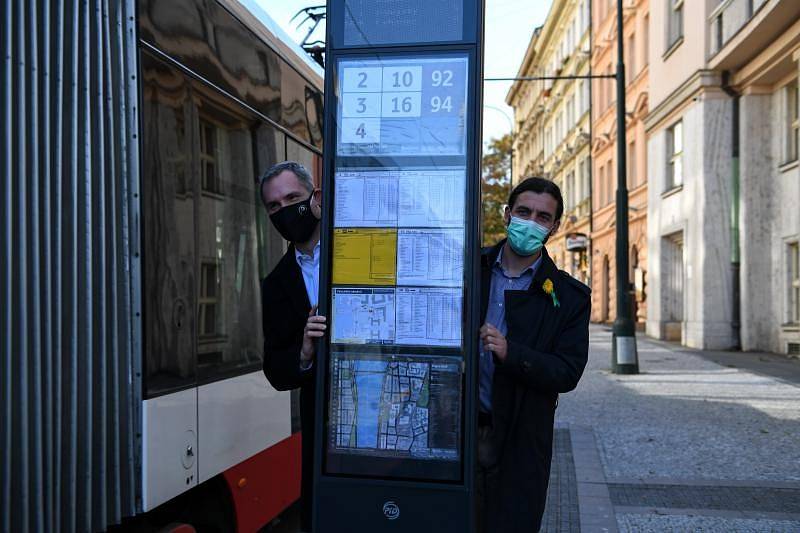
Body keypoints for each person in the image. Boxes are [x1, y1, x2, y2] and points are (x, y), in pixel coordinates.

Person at [476, 177, 590, 532]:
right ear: (508, 214)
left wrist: (513, 353)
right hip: (461, 430)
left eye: (542, 217)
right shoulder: (468, 269)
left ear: (554, 227)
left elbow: (567, 371)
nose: (531, 222)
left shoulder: (569, 296)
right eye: (523, 212)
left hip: (522, 438)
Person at [259, 161, 326, 533]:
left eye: (292, 198)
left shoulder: (359, 247)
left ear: (315, 198)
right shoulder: (275, 284)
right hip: (322, 438)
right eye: (273, 206)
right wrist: (303, 353)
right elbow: (275, 369)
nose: (284, 210)